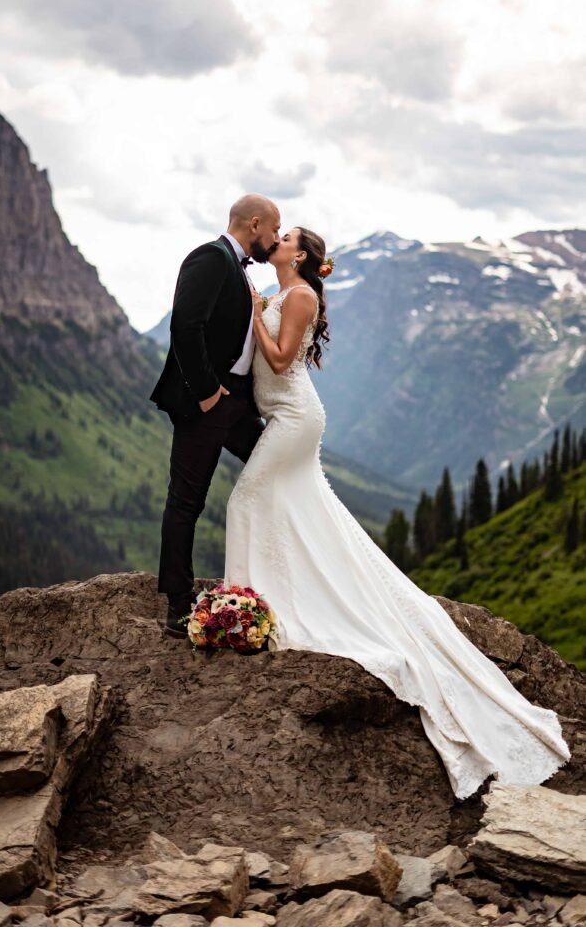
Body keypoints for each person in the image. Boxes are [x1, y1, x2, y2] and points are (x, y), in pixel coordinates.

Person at [223, 224, 572, 800]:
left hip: (293, 415)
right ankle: (268, 598)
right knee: (293, 510)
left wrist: (256, 314)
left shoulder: (300, 294)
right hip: (286, 415)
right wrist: (258, 308)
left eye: (284, 238)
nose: (276, 242)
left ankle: (253, 604)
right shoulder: (284, 292)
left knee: (246, 498)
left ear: (301, 255)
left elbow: (282, 363)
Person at [150, 194, 281, 636]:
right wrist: (207, 393)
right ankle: (178, 608)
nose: (276, 240)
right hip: (208, 402)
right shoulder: (209, 257)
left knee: (275, 473)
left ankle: (278, 582)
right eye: (275, 231)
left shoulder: (238, 268)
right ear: (256, 223)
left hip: (238, 402)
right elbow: (186, 327)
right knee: (186, 502)